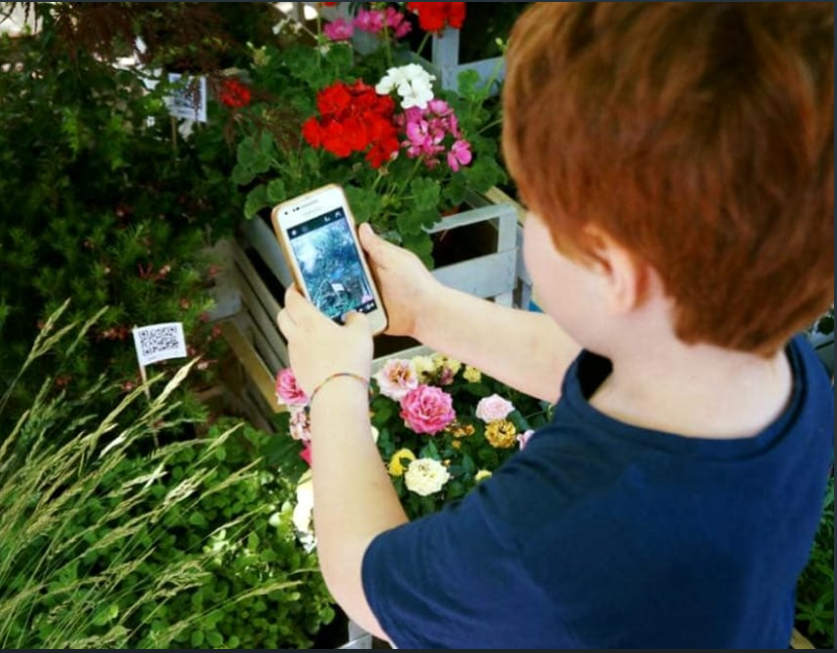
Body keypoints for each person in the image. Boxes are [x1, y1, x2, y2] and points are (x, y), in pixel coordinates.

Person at [276, 2, 833, 648]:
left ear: (610, 268)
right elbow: (585, 353)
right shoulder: (784, 373)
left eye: (535, 202)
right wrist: (427, 309)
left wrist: (334, 383)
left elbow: (361, 574)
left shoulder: (547, 539)